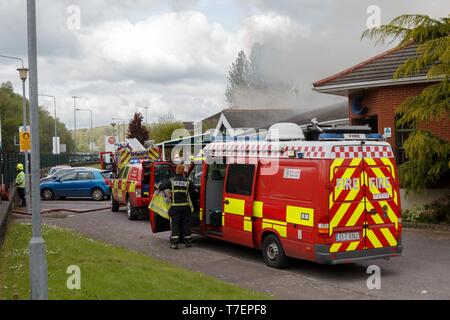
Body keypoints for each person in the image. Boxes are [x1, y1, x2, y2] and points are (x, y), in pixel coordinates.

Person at [158, 165, 197, 249]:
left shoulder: (171, 181)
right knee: (186, 224)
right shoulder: (188, 181)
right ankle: (188, 242)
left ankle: (175, 243)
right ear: (183, 172)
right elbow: (194, 193)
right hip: (186, 207)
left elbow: (161, 187)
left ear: (176, 171)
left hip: (175, 207)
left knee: (175, 224)